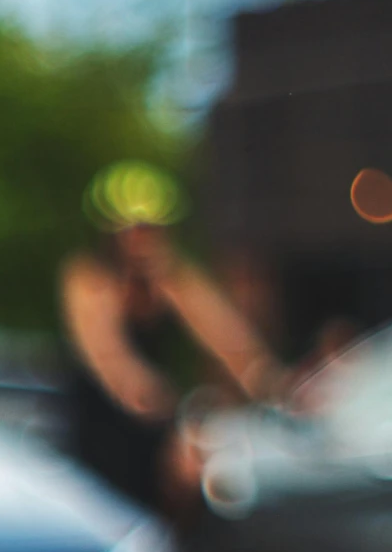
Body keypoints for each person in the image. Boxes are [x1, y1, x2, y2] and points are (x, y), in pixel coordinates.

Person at [60, 162, 284, 513]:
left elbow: (222, 331)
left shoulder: (170, 275)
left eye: (152, 231)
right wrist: (150, 395)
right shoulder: (89, 280)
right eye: (133, 231)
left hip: (152, 420)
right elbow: (109, 357)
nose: (143, 241)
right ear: (111, 236)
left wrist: (266, 378)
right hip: (100, 426)